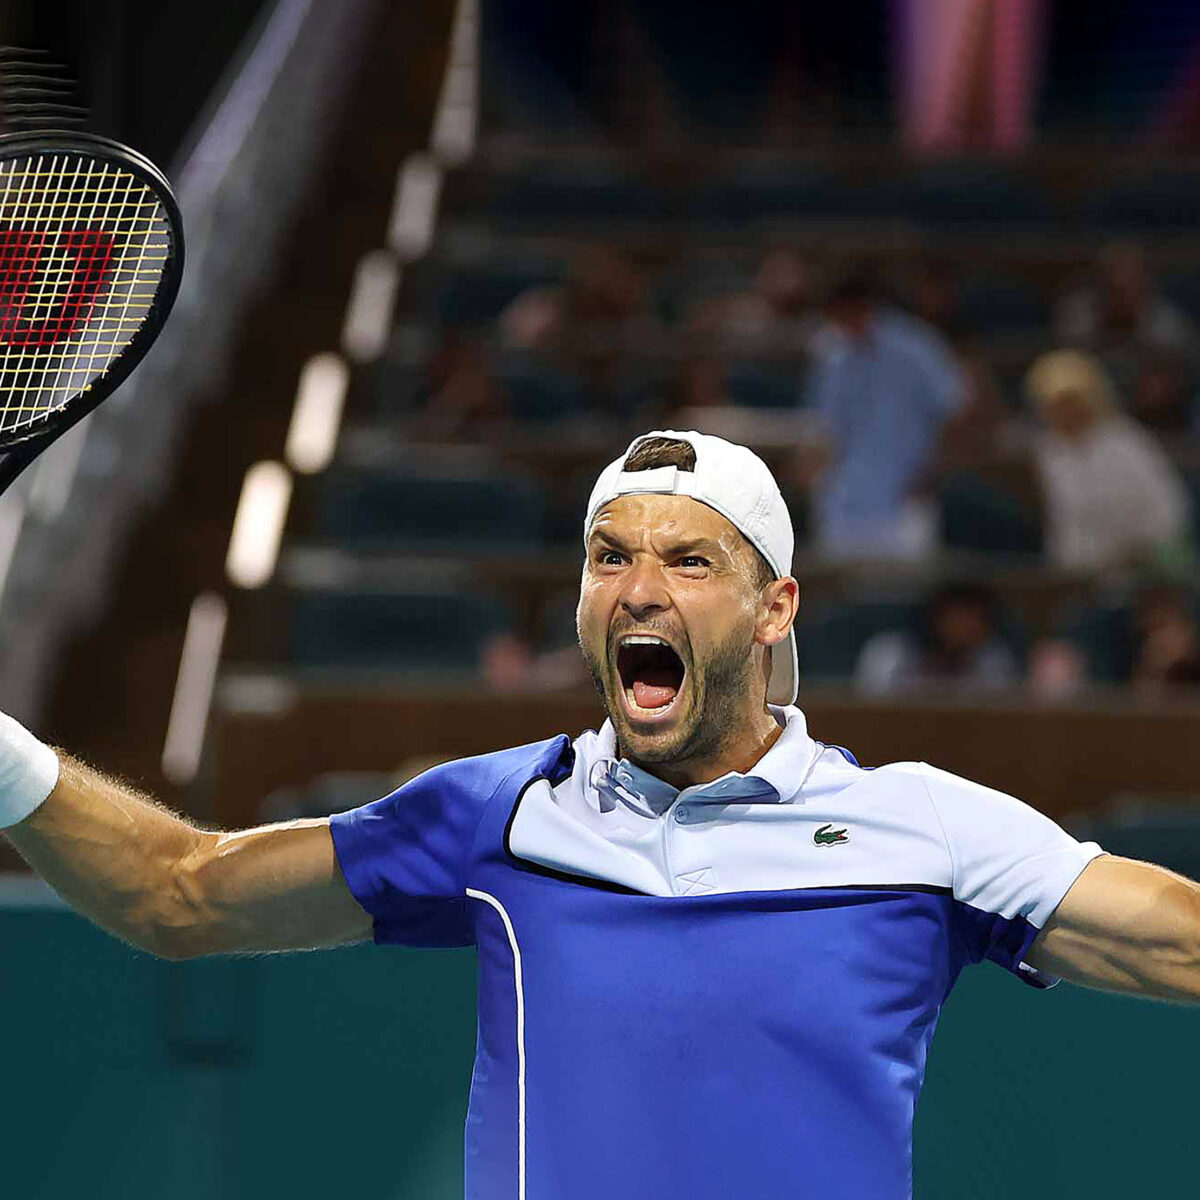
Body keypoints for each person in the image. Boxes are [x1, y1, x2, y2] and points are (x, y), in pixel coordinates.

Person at [2, 430, 1199, 1200]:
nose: (636, 589)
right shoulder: (493, 815)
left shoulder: (926, 831)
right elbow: (180, 894)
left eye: (689, 561)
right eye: (608, 556)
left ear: (775, 608)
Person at [802, 269, 967, 559]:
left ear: (864, 307)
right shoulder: (831, 353)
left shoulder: (917, 347)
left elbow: (957, 412)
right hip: (845, 497)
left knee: (907, 583)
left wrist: (933, 471)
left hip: (906, 496)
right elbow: (824, 425)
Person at [1026, 348, 1191, 572]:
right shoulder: (1047, 452)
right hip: (1081, 570)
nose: (1065, 412)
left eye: (1070, 402)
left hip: (1143, 564)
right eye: (1055, 405)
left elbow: (1168, 508)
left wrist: (1137, 551)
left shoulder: (1124, 439)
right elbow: (1063, 524)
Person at [855, 582, 1021, 696]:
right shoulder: (888, 653)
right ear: (936, 617)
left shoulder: (995, 660)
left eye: (979, 619)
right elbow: (869, 711)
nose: (970, 626)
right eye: (960, 617)